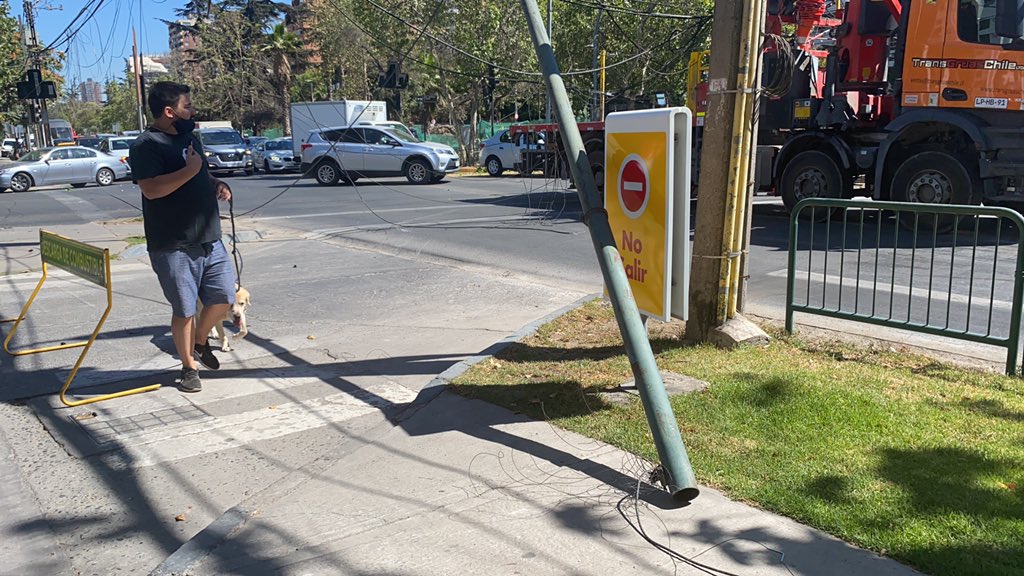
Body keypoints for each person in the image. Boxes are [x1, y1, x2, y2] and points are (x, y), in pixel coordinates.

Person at [129, 81, 235, 393]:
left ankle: (200, 342)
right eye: (187, 106)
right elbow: (151, 188)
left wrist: (215, 183)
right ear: (169, 111)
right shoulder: (146, 145)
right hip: (173, 244)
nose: (192, 110)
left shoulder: (190, 138)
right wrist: (190, 170)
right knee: (185, 310)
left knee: (224, 296)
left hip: (209, 238)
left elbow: (200, 172)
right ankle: (189, 367)